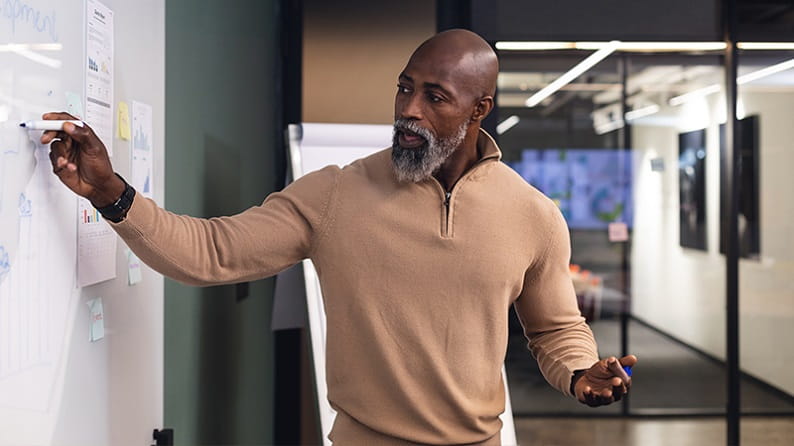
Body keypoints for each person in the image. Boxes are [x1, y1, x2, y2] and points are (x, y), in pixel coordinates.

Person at [42, 29, 637, 445]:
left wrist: (581, 373)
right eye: (405, 88)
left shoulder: (532, 214)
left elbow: (554, 327)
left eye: (436, 98)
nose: (410, 110)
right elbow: (211, 252)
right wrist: (111, 194)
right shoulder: (335, 193)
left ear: (479, 109)